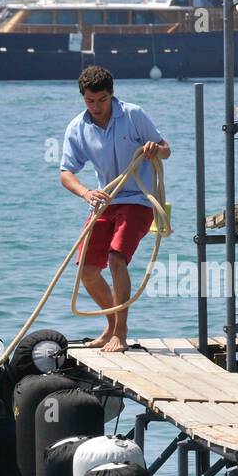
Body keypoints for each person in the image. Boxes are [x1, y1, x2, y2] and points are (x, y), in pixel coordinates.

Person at [59, 65, 170, 353]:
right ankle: (110, 326)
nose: (96, 107)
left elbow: (166, 148)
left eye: (102, 100)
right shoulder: (77, 127)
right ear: (83, 98)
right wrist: (86, 192)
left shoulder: (133, 115)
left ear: (112, 95)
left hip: (139, 200)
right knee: (87, 270)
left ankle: (120, 331)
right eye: (90, 101)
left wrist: (155, 150)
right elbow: (66, 172)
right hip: (105, 201)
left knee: (116, 259)